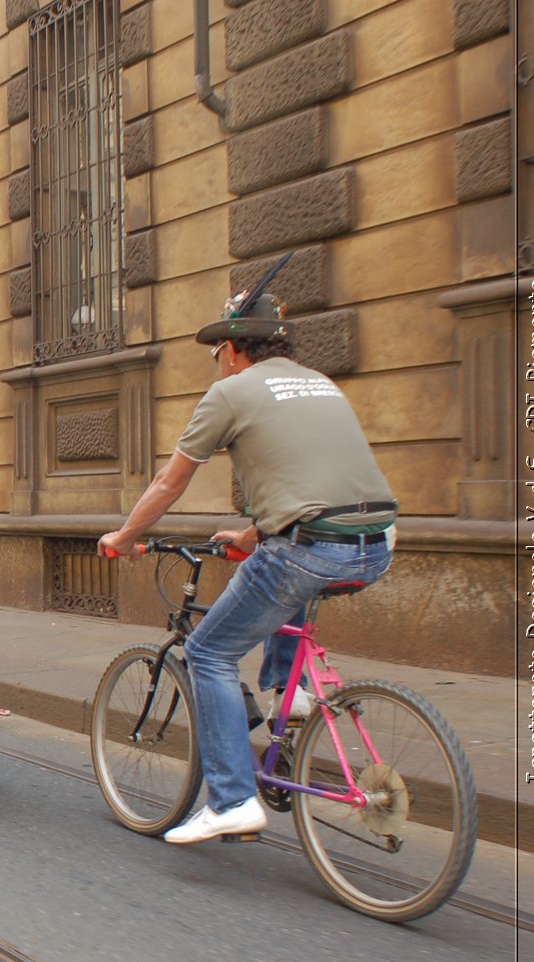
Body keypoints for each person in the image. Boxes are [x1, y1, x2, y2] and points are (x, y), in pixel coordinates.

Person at [97, 269, 396, 845]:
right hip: (375, 545)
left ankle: (232, 799)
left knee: (208, 650)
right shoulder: (320, 383)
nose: (218, 363)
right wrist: (250, 536)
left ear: (232, 349)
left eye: (217, 353)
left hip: (310, 549)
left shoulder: (230, 392)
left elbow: (168, 482)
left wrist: (123, 535)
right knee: (286, 581)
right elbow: (314, 488)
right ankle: (292, 695)